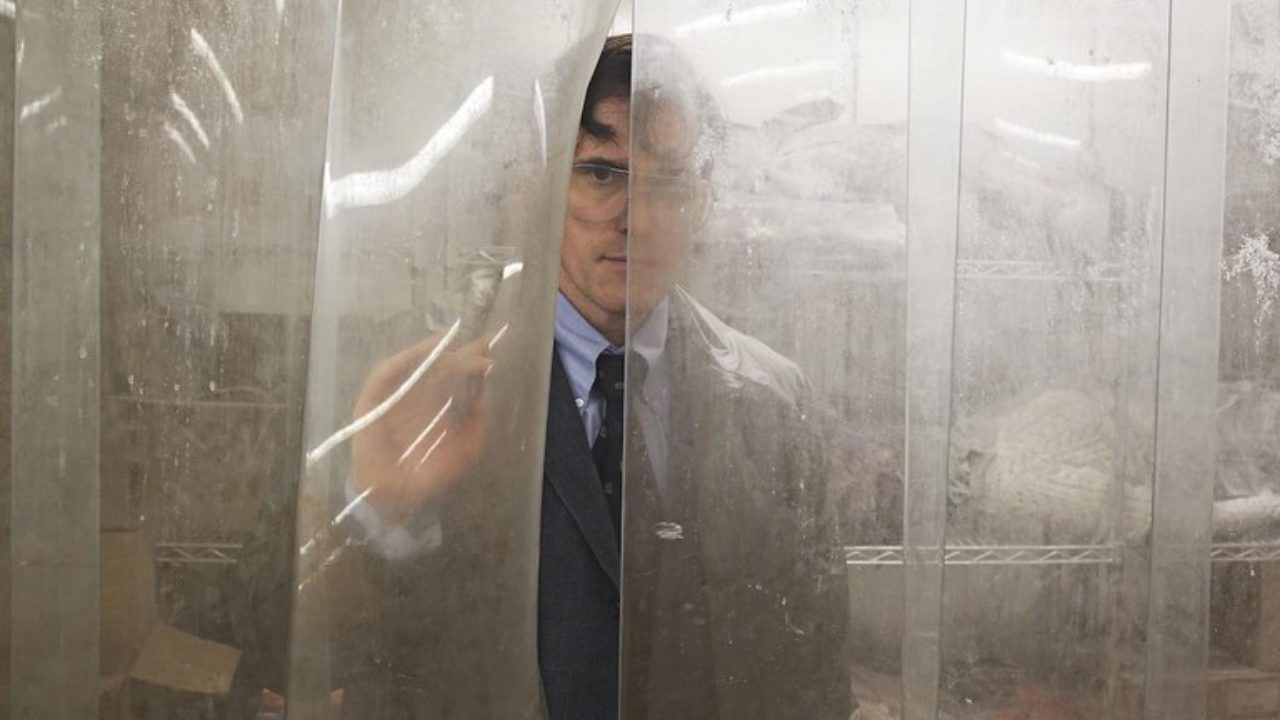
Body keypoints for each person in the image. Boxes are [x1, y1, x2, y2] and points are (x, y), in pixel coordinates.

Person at [234, 34, 852, 720]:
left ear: (702, 200)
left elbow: (814, 676)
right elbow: (269, 648)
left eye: (670, 182)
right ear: (539, 184)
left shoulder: (770, 402)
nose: (637, 219)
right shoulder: (414, 384)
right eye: (601, 174)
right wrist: (378, 511)